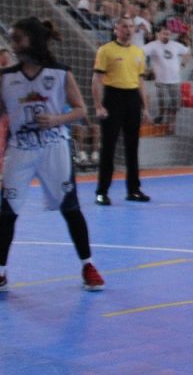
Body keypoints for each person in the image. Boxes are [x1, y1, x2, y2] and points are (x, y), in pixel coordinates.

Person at [0, 17, 105, 292]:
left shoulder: (59, 73)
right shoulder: (7, 77)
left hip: (53, 145)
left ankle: (88, 265)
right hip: (20, 148)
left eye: (17, 39)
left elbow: (81, 110)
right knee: (7, 211)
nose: (13, 45)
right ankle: (1, 271)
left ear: (33, 40)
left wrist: (58, 119)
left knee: (70, 208)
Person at [92, 16, 151, 205]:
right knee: (108, 147)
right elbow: (97, 79)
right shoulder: (106, 50)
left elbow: (141, 82)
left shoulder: (138, 52)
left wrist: (145, 107)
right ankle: (102, 192)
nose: (128, 30)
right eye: (124, 26)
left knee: (132, 147)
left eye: (131, 27)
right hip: (113, 98)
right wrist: (98, 105)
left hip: (132, 98)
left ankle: (133, 190)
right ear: (116, 29)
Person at [143, 26, 190, 131]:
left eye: (168, 34)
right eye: (164, 34)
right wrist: (145, 66)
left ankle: (171, 124)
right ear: (159, 34)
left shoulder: (175, 45)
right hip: (161, 80)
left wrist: (183, 63)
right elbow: (140, 52)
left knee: (175, 104)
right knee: (163, 102)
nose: (166, 36)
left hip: (175, 80)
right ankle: (161, 116)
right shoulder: (153, 45)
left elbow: (187, 51)